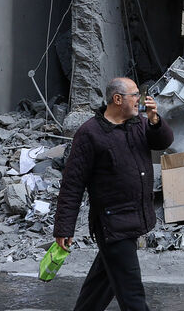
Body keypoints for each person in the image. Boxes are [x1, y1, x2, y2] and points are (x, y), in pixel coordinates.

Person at [54, 77, 173, 311]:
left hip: (134, 218)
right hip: (112, 224)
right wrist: (64, 228)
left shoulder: (138, 123)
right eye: (135, 95)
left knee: (101, 284)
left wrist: (155, 120)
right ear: (118, 99)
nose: (140, 99)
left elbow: (163, 142)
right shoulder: (90, 133)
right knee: (133, 297)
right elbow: (72, 184)